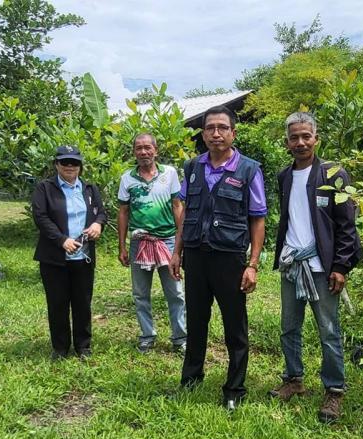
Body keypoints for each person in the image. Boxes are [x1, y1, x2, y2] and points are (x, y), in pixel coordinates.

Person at [267, 112, 363, 423]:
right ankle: (293, 380)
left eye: (306, 136)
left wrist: (341, 266)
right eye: (294, 137)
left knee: (329, 329)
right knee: (289, 327)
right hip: (293, 263)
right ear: (286, 142)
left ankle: (334, 391)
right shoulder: (284, 176)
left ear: (316, 139)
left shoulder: (333, 174)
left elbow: (347, 225)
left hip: (323, 267)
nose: (300, 142)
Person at [170, 106, 266, 411]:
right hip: (196, 257)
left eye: (222, 127)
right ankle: (191, 380)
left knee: (234, 326)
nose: (215, 133)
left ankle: (234, 389)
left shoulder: (249, 169)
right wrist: (177, 250)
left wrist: (252, 264)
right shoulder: (193, 167)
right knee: (196, 321)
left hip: (230, 259)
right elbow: (185, 212)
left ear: (233, 133)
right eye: (210, 128)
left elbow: (258, 218)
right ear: (203, 133)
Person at [31, 145, 107, 360]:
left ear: (80, 166)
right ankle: (60, 348)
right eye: (65, 162)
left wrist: (98, 225)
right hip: (55, 258)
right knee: (57, 303)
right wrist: (61, 240)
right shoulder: (45, 188)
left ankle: (83, 346)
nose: (70, 166)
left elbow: (101, 212)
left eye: (74, 162)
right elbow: (41, 217)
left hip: (83, 256)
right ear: (56, 165)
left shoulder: (89, 188)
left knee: (83, 302)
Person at [117, 133, 187, 354]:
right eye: (139, 148)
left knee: (175, 292)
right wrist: (122, 246)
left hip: (166, 241)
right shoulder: (127, 178)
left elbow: (178, 207)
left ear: (156, 150)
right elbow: (123, 211)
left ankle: (180, 338)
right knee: (140, 293)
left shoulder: (170, 174)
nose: (144, 152)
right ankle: (147, 336)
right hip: (140, 242)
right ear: (134, 152)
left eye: (148, 148)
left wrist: (179, 244)